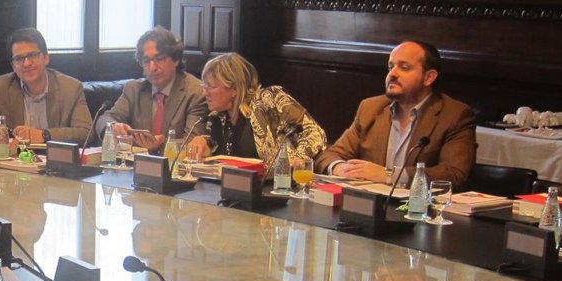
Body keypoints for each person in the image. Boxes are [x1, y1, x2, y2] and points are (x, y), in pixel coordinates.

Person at [315, 40, 476, 190]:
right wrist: (341, 168)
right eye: (390, 66)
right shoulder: (371, 108)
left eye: (404, 67)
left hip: (420, 206)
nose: (392, 74)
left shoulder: (455, 115)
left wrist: (389, 175)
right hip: (369, 204)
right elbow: (329, 155)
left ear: (429, 77)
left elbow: (454, 174)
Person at [186, 53, 326, 172]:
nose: (204, 93)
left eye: (211, 87)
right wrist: (204, 143)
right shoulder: (217, 117)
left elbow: (314, 133)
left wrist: (297, 158)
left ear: (234, 89)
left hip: (279, 185)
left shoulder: (269, 100)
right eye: (204, 86)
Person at [0, 28, 92, 144]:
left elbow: (87, 133)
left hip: (56, 162)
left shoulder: (70, 88)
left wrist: (44, 135)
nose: (27, 63)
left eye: (32, 55)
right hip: (14, 163)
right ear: (13, 66)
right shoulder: (1, 87)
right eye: (19, 59)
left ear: (46, 58)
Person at [95, 27, 208, 153]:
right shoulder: (134, 89)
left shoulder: (196, 92)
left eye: (159, 59)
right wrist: (113, 126)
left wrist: (159, 146)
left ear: (176, 59)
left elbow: (192, 143)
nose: (152, 67)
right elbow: (104, 119)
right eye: (146, 61)